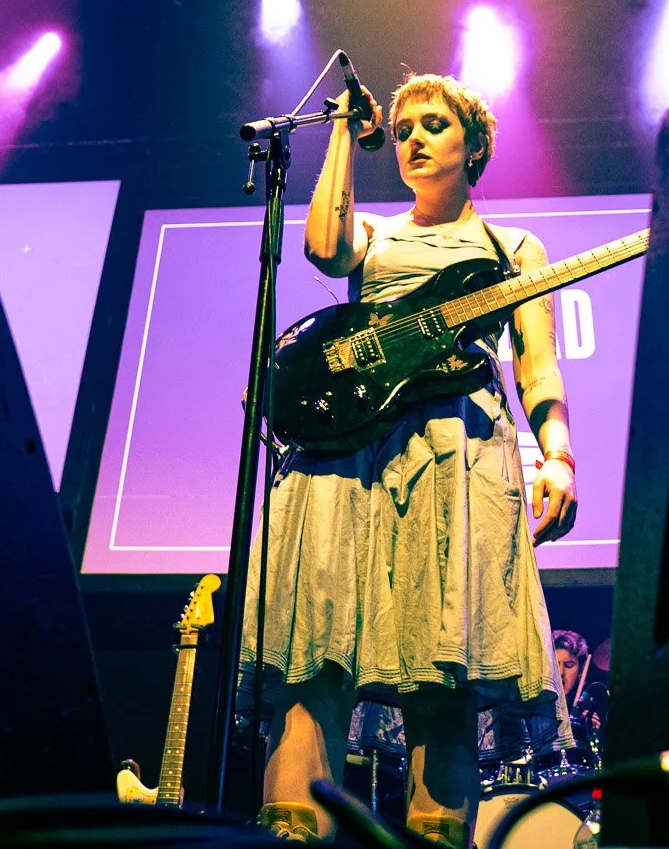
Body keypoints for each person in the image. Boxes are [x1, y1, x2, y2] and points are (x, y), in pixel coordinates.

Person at [243, 71, 579, 847]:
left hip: (456, 460)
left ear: (476, 144)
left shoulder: (513, 246)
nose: (415, 138)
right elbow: (326, 248)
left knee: (444, 680)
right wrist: (340, 133)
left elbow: (538, 365)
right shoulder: (379, 236)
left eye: (434, 123)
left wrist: (557, 456)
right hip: (349, 455)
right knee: (312, 668)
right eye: (402, 130)